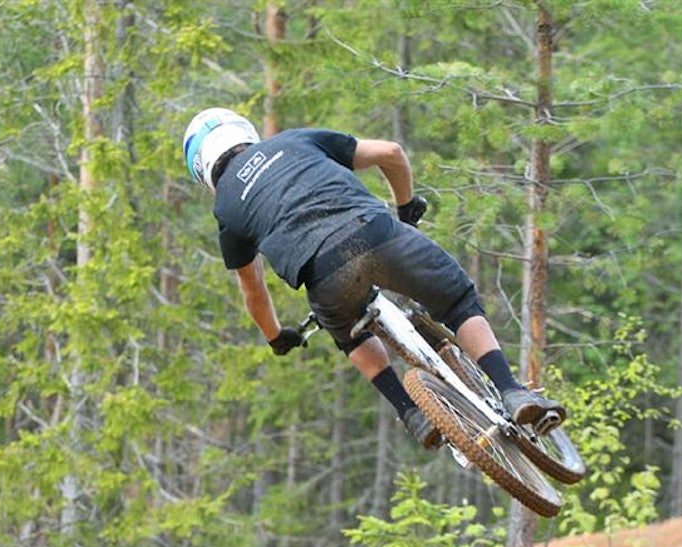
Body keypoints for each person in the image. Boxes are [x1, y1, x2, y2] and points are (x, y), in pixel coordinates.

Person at [181, 108, 565, 448]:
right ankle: (511, 391)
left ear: (203, 169)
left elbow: (253, 291)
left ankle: (410, 413)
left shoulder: (227, 209)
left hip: (325, 274)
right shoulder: (294, 141)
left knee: (351, 335)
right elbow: (391, 153)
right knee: (457, 301)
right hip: (377, 233)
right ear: (243, 131)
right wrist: (405, 207)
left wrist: (277, 336)